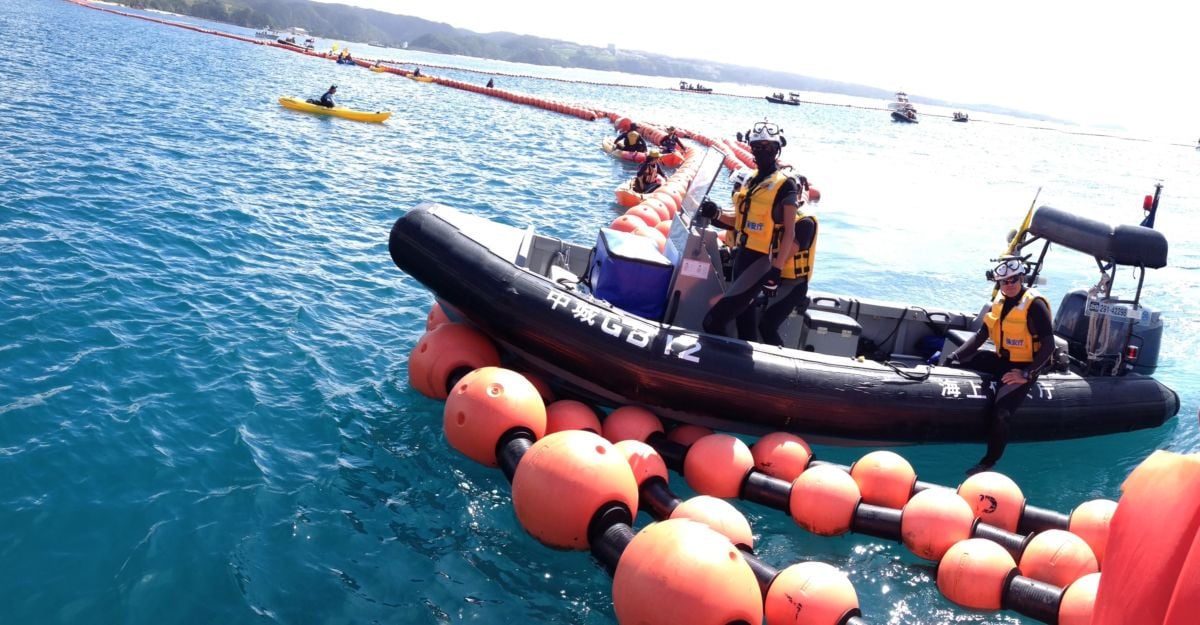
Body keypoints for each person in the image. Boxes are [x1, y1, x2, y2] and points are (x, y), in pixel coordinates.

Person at [946, 258, 1055, 475]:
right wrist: (954, 357)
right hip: (1003, 361)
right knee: (963, 360)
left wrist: (1027, 373)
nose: (1009, 284)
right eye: (1004, 281)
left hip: (1025, 366)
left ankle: (989, 461)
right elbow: (980, 337)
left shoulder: (1035, 305)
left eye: (1013, 279)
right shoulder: (999, 302)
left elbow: (1049, 345)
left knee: (1002, 413)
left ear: (1021, 278)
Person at [697, 120, 801, 342]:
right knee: (745, 322)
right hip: (741, 257)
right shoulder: (750, 180)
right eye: (757, 147)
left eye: (768, 147)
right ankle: (741, 371)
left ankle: (721, 370)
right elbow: (740, 221)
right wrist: (715, 213)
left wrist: (776, 270)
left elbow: (790, 233)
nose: (762, 151)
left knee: (713, 321)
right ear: (751, 149)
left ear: (777, 149)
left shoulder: (785, 185)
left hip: (761, 263)